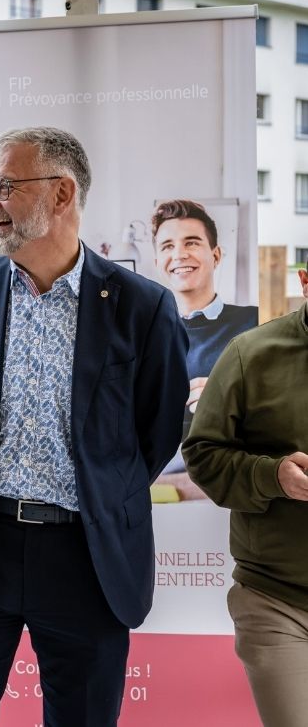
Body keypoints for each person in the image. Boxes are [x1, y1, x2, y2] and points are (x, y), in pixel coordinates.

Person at [0, 126, 188, 726]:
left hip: (86, 557)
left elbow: (157, 431)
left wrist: (95, 490)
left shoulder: (144, 309)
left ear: (61, 195)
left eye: (4, 186)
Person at [184, 268, 308, 727]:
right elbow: (203, 456)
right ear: (305, 281)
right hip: (278, 601)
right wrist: (274, 476)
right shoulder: (249, 354)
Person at [150, 199, 257, 499]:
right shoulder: (139, 333)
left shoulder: (256, 322)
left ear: (216, 255)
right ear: (157, 261)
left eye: (192, 242)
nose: (179, 254)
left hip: (227, 490)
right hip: (157, 494)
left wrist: (226, 399)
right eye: (167, 246)